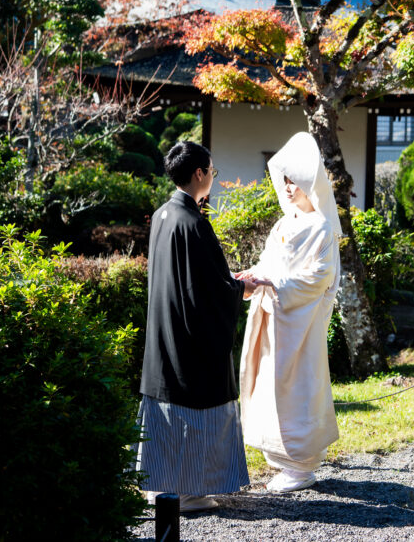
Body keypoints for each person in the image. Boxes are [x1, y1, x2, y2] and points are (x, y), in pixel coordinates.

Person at [137, 141, 265, 512]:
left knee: (164, 411)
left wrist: (229, 282)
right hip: (190, 338)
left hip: (164, 330)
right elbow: (206, 290)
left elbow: (189, 279)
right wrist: (240, 287)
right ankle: (190, 491)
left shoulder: (164, 215)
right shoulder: (194, 222)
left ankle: (156, 485)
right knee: (195, 409)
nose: (212, 177)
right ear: (199, 173)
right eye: (212, 171)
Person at [236, 132, 342, 493]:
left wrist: (272, 280)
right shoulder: (284, 223)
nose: (287, 187)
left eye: (294, 180)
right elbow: (270, 262)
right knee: (269, 382)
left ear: (310, 184)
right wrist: (253, 274)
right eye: (284, 180)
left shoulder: (322, 228)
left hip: (300, 321)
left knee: (298, 385)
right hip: (273, 318)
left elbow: (319, 277)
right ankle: (280, 459)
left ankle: (301, 465)